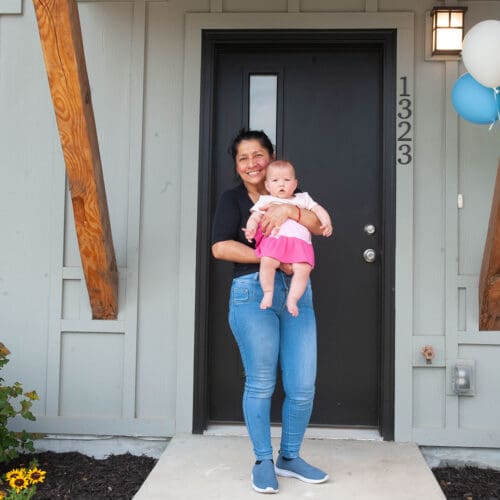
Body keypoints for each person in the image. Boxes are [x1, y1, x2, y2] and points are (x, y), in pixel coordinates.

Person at [211, 129, 330, 494]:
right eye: (243, 158)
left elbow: (319, 226)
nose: (252, 164)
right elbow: (220, 248)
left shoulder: (292, 194)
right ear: (237, 165)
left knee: (302, 385)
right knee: (261, 382)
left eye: (258, 155)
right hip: (253, 293)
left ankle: (289, 457)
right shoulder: (232, 200)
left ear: (271, 156)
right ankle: (263, 460)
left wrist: (290, 208)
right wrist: (273, 261)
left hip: (298, 295)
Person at [243, 160, 332, 317]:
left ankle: (293, 299)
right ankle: (268, 292)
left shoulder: (303, 198)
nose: (281, 184)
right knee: (267, 262)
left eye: (287, 180)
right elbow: (255, 217)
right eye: (275, 181)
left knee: (303, 269)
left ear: (295, 183)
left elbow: (318, 209)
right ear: (268, 186)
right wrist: (250, 229)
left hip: (299, 243)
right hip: (275, 241)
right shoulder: (266, 200)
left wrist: (326, 221)